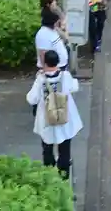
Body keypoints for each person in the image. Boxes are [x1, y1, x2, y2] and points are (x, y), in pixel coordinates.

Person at [26, 50, 82, 179]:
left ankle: (49, 175)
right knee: (65, 150)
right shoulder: (65, 76)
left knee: (47, 149)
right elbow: (75, 87)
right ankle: (64, 176)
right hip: (64, 118)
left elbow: (31, 98)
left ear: (45, 63)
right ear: (58, 62)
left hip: (47, 120)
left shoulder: (41, 79)